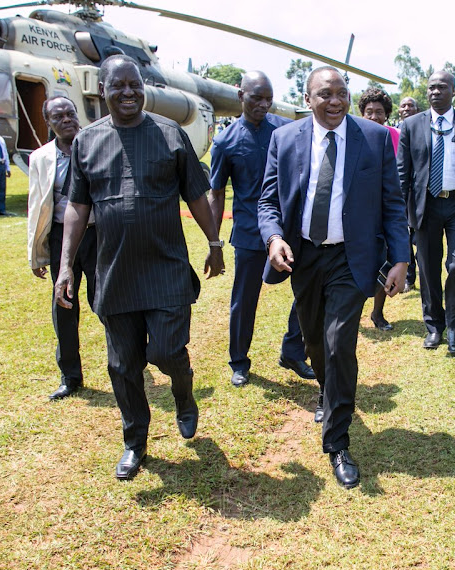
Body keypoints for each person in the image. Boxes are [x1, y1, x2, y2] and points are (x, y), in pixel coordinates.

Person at [54, 55, 224, 480]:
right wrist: (66, 267)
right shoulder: (87, 142)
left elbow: (197, 195)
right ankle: (135, 442)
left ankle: (183, 394)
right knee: (122, 365)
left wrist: (215, 241)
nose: (128, 93)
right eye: (118, 86)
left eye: (134, 85)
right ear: (102, 91)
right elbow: (76, 207)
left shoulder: (170, 134)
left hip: (165, 266)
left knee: (166, 351)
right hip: (114, 272)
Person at [258, 66, 409, 489]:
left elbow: (392, 203)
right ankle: (328, 390)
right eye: (325, 94)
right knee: (313, 343)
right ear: (308, 99)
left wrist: (400, 259)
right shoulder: (284, 139)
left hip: (352, 257)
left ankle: (338, 442)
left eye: (342, 93)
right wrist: (273, 239)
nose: (336, 101)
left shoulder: (374, 138)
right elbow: (267, 199)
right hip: (303, 256)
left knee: (339, 341)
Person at [208, 71, 314, 387]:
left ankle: (293, 351)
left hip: (290, 230)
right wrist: (214, 244)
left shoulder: (284, 131)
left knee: (308, 290)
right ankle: (239, 361)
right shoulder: (225, 142)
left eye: (269, 98)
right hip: (250, 235)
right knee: (244, 300)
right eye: (257, 97)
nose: (264, 104)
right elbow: (216, 193)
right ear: (240, 96)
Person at [397, 70, 455, 355]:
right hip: (425, 205)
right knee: (427, 268)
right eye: (431, 88)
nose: (435, 92)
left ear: (454, 92)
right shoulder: (412, 125)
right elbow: (403, 173)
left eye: (442, 87)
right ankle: (434, 326)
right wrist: (400, 215)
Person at [28, 96, 97, 400]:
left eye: (70, 113)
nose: (67, 119)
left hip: (98, 235)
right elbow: (36, 206)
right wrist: (38, 252)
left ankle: (125, 362)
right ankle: (70, 376)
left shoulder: (96, 146)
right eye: (58, 116)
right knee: (64, 306)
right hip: (61, 240)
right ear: (49, 123)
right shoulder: (40, 158)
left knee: (108, 302)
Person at [358, 87, 400, 331]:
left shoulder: (395, 136)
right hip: (361, 211)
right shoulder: (355, 137)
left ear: (387, 115)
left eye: (379, 112)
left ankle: (378, 314)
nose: (374, 117)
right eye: (369, 112)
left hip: (387, 209)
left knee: (385, 264)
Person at [397, 97, 420, 293]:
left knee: (418, 238)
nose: (407, 108)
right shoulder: (394, 131)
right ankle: (409, 277)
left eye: (410, 105)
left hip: (419, 193)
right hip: (401, 191)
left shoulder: (424, 127)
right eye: (403, 106)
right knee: (404, 237)